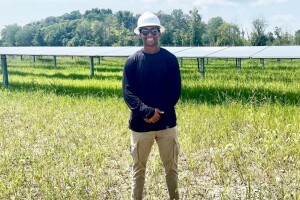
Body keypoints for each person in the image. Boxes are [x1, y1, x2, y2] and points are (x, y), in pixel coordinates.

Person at [122, 11, 182, 200]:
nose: (150, 34)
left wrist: (159, 112)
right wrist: (147, 111)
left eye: (153, 31)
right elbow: (128, 92)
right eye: (145, 31)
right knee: (138, 170)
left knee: (171, 169)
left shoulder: (170, 59)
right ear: (139, 34)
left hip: (166, 126)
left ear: (159, 32)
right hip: (141, 126)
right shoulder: (132, 62)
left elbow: (175, 91)